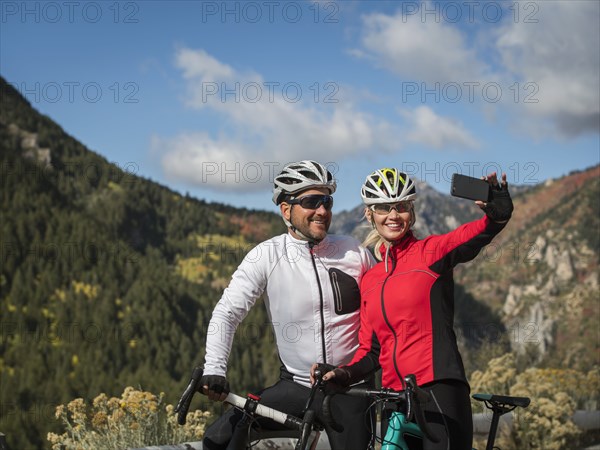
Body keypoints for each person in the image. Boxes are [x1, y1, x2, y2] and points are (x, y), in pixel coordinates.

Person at [313, 168, 514, 450]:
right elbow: (371, 352)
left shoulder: (431, 252)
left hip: (438, 391)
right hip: (393, 397)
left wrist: (498, 215)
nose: (393, 216)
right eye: (384, 207)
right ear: (370, 214)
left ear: (412, 211)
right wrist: (342, 374)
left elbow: (476, 234)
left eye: (402, 206)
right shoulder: (370, 279)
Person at [194, 160, 376, 450]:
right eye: (311, 202)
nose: (323, 211)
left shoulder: (353, 252)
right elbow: (227, 313)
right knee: (218, 438)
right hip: (296, 386)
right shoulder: (266, 255)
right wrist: (214, 368)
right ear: (286, 210)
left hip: (350, 388)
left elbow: (386, 311)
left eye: (327, 201)